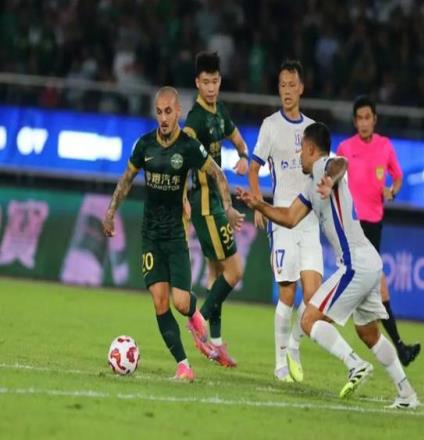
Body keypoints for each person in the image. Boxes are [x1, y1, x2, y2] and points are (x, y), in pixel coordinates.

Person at [237, 122, 419, 409]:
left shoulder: (324, 167)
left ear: (311, 149)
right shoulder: (312, 185)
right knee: (369, 333)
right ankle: (407, 394)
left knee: (309, 320)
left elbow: (341, 163)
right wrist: (258, 205)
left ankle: (354, 364)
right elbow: (289, 217)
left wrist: (331, 179)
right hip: (370, 263)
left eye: (301, 150)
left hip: (355, 265)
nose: (299, 155)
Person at [102, 86, 244, 381]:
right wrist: (111, 212)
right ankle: (183, 366)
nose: (164, 118)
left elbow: (217, 173)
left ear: (178, 111)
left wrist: (228, 208)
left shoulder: (188, 146)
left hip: (176, 236)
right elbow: (126, 180)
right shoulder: (144, 145)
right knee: (159, 301)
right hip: (151, 235)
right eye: (159, 112)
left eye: (169, 111)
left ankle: (195, 316)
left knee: (180, 302)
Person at [248, 59, 323, 383]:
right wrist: (258, 203)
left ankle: (294, 345)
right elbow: (254, 168)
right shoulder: (270, 126)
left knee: (314, 298)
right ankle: (280, 364)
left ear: (301, 88)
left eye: (292, 85)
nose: (287, 91)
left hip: (309, 221)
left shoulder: (313, 129)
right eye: (282, 85)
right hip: (281, 219)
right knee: (288, 294)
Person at [336, 95, 421, 367]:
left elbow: (398, 176)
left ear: (375, 120)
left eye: (367, 118)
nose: (363, 123)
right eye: (359, 118)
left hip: (374, 225)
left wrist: (392, 191)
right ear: (355, 121)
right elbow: (333, 177)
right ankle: (400, 348)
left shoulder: (385, 146)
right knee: (376, 285)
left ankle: (313, 322)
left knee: (370, 286)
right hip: (353, 224)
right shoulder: (345, 148)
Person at [183, 51, 249, 367]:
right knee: (235, 271)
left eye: (215, 81)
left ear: (220, 81)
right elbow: (182, 158)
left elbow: (239, 140)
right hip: (206, 205)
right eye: (205, 82)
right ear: (197, 83)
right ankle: (199, 321)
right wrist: (182, 198)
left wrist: (244, 156)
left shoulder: (220, 112)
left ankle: (218, 346)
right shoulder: (194, 120)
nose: (211, 87)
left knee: (216, 275)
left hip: (214, 204)